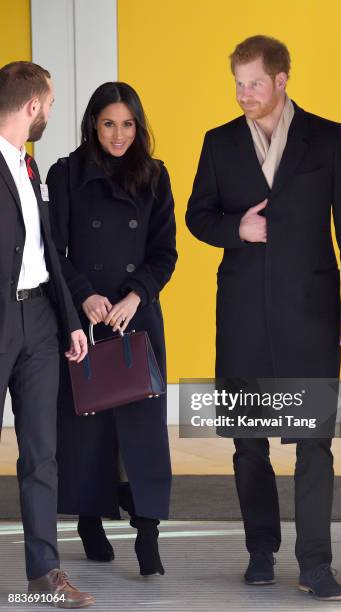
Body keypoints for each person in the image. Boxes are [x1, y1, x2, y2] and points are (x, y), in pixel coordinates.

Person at [186, 35, 341, 601]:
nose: (244, 94)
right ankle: (260, 551)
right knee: (248, 443)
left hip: (311, 316)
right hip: (241, 314)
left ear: (283, 78)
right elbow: (197, 215)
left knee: (314, 441)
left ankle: (316, 565)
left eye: (255, 83)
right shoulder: (218, 143)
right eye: (238, 84)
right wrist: (234, 230)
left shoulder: (330, 138)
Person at [46, 81, 177, 577]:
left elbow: (165, 252)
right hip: (85, 319)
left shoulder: (156, 176)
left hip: (135, 316)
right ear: (92, 125)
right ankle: (89, 520)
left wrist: (135, 294)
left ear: (138, 126)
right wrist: (84, 295)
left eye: (127, 124)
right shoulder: (65, 174)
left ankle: (148, 534)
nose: (119, 134)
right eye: (108, 124)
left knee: (144, 433)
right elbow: (53, 252)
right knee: (87, 428)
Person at [0, 61, 94, 608]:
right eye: (51, 104)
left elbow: (47, 255)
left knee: (42, 453)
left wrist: (69, 320)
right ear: (32, 106)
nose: (51, 113)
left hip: (38, 320)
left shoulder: (30, 168)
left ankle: (45, 575)